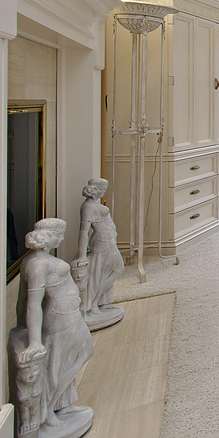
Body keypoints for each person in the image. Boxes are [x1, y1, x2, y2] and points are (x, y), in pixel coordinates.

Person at [13, 218, 94, 434]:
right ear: (49, 237)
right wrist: (33, 342)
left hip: (66, 314)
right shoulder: (38, 264)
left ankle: (59, 404)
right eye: (59, 235)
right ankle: (48, 409)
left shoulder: (33, 261)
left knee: (72, 356)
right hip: (60, 317)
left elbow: (23, 301)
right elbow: (31, 304)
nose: (62, 238)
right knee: (57, 364)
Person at [72, 178, 124, 328]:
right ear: (96, 189)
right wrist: (81, 255)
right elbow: (83, 231)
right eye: (104, 189)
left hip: (107, 240)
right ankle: (94, 302)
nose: (105, 191)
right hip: (102, 242)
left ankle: (103, 302)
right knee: (116, 269)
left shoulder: (92, 204)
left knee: (103, 271)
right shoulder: (87, 207)